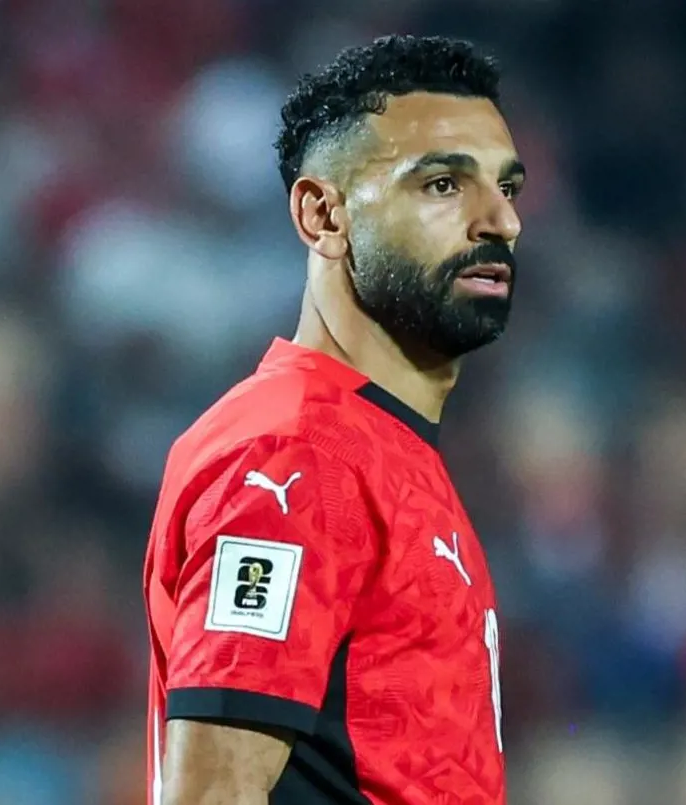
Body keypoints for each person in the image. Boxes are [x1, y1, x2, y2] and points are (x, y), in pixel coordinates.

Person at [143, 34, 525, 805]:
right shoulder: (295, 455)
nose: (500, 221)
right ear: (323, 215)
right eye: (444, 184)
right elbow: (214, 791)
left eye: (507, 186)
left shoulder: (379, 449)